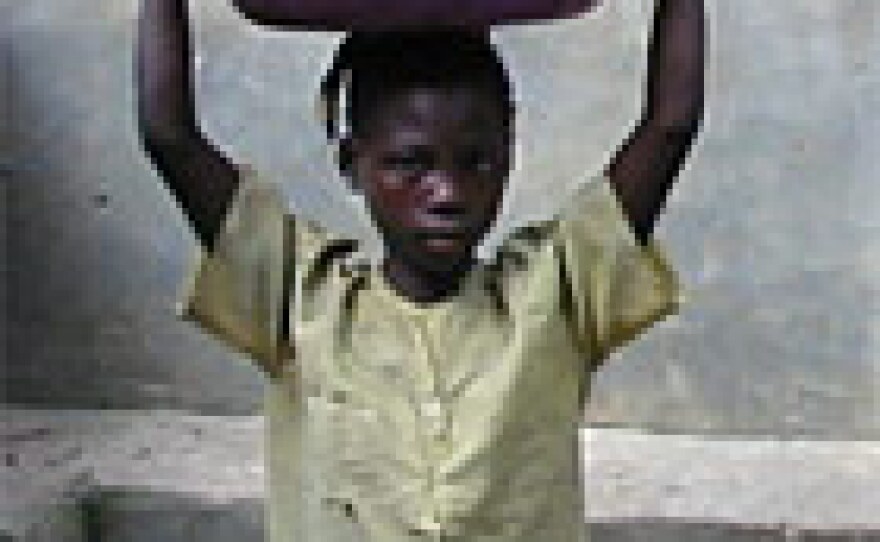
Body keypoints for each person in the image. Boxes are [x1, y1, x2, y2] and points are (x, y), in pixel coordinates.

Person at [136, 1, 704, 540]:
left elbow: (670, 125)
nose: (448, 193)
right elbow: (169, 136)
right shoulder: (298, 295)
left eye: (476, 162)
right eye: (411, 164)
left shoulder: (558, 290)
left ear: (510, 154)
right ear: (351, 164)